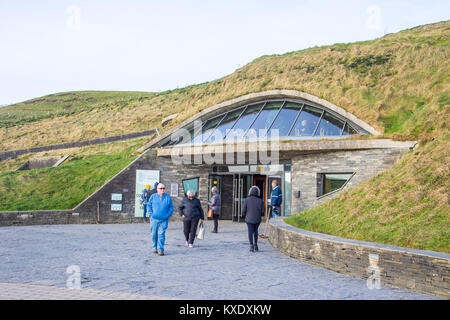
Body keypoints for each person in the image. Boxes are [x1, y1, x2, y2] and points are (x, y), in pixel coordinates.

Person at [147, 183, 174, 256]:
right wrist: (151, 214)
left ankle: (160, 249)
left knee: (161, 234)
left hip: (163, 220)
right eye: (161, 188)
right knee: (153, 234)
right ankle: (155, 247)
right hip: (154, 219)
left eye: (163, 188)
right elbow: (149, 206)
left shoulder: (168, 197)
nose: (162, 190)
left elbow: (171, 207)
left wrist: (168, 215)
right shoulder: (153, 196)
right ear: (157, 189)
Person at [242, 186, 265, 252]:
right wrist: (260, 214)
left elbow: (243, 210)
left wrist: (245, 215)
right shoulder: (261, 200)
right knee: (255, 231)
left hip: (249, 219)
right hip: (257, 219)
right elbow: (263, 211)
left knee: (250, 231)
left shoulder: (247, 200)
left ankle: (251, 245)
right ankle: (256, 245)